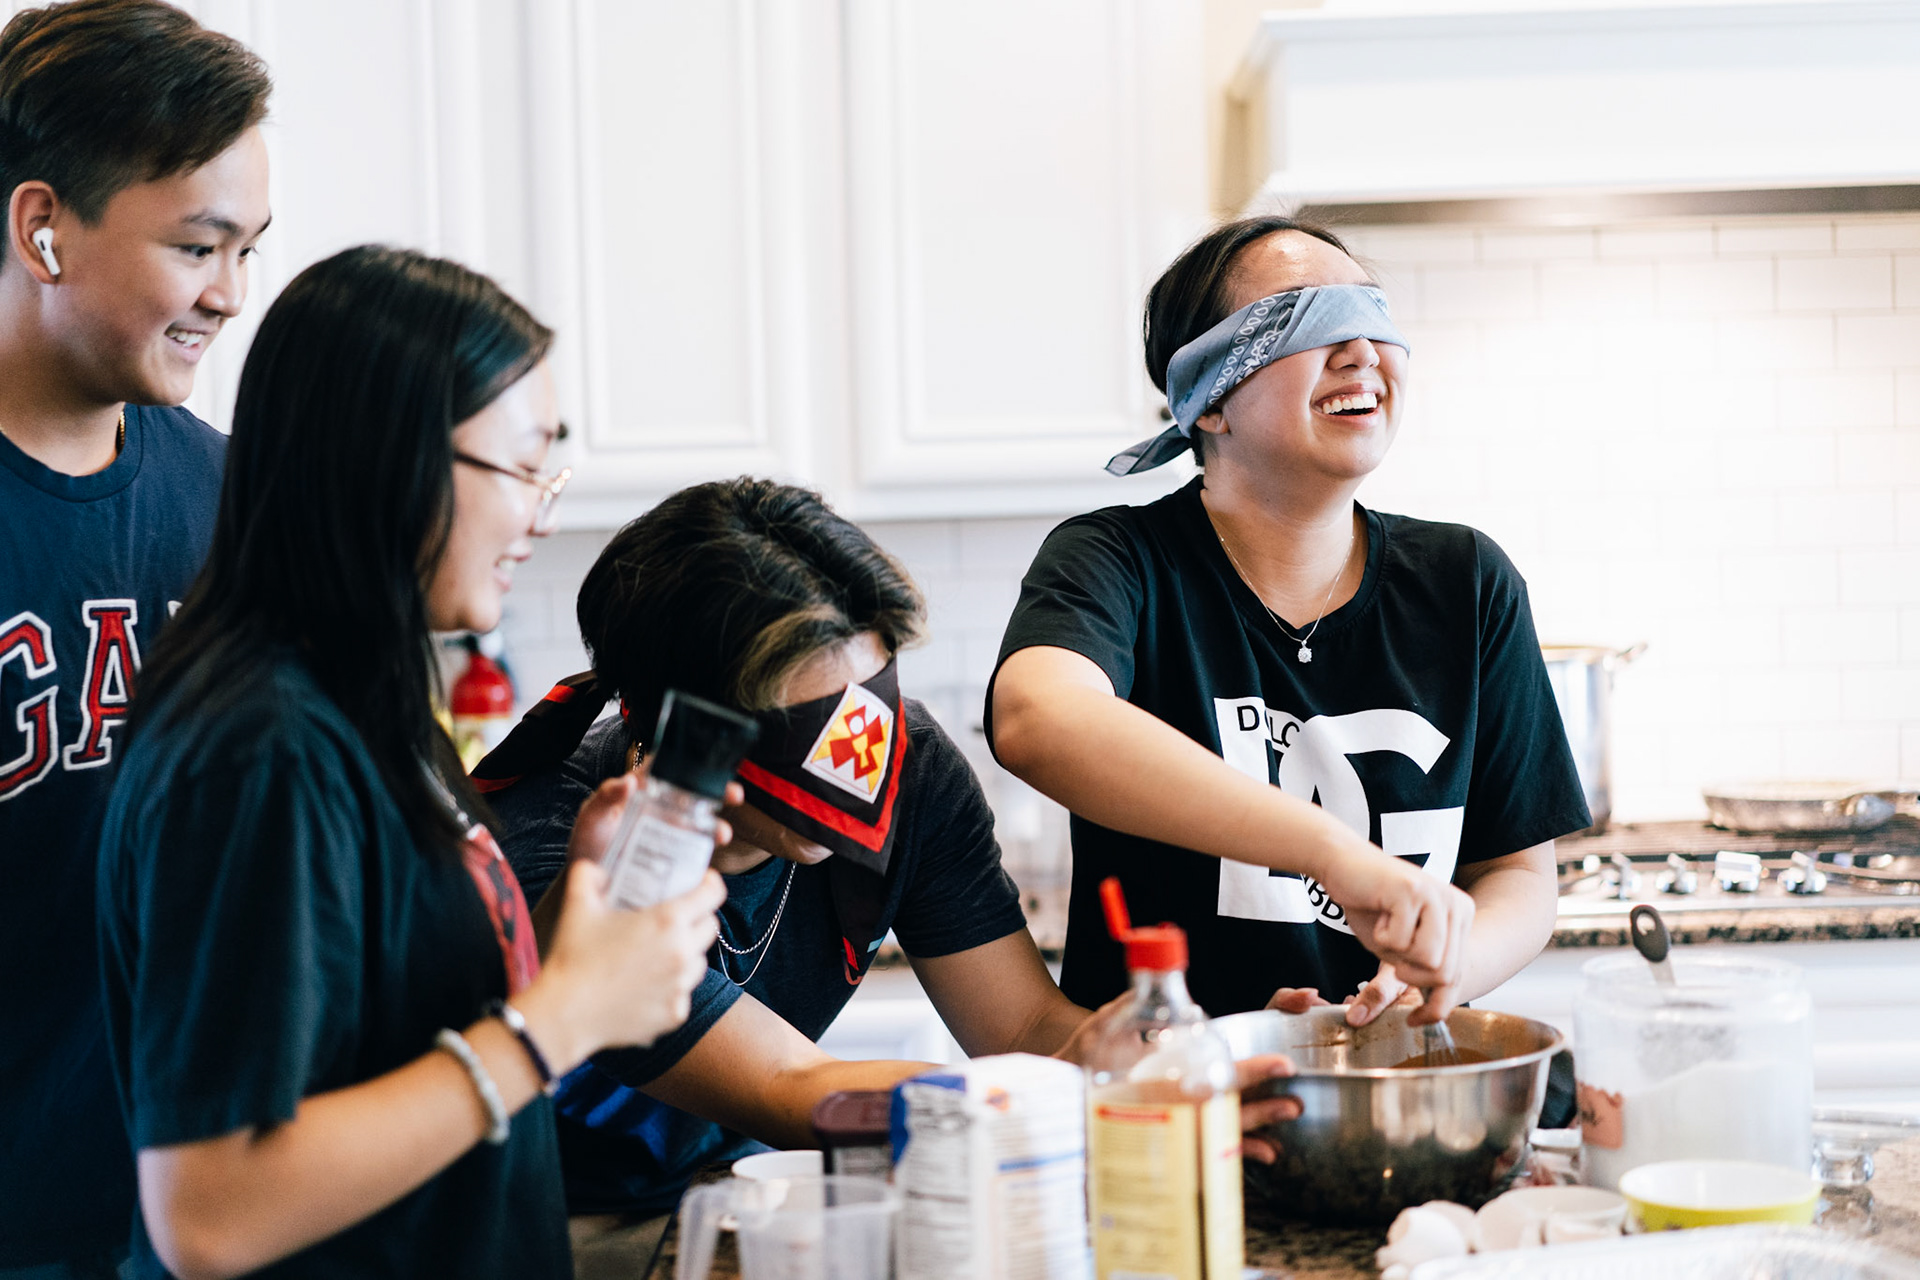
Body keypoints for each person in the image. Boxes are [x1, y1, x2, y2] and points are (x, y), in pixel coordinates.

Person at [96, 246, 725, 1280]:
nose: (542, 513)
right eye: (521, 468)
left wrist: (569, 924)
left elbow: (396, 1026)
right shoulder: (260, 750)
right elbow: (210, 1209)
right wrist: (559, 1021)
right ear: (391, 460)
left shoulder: (364, 697)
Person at [478, 478, 1297, 1267]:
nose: (859, 766)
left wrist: (1185, 1060)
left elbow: (1020, 1028)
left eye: (870, 705)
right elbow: (789, 1084)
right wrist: (1084, 1098)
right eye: (813, 729)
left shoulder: (913, 769)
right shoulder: (574, 853)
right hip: (560, 1220)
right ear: (686, 727)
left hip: (752, 1190)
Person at [989, 215, 1587, 1031]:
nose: (1361, 350)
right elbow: (1036, 717)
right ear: (1209, 400)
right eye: (1307, 320)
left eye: (1373, 315)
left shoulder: (1468, 579)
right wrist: (1332, 854)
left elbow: (1519, 876)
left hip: (1400, 1073)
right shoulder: (1117, 561)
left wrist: (1434, 975)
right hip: (1170, 1088)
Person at [0, 3, 270, 1273]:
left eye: (247, 249)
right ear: (41, 228)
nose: (229, 294)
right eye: (198, 246)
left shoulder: (237, 498)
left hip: (205, 1213)